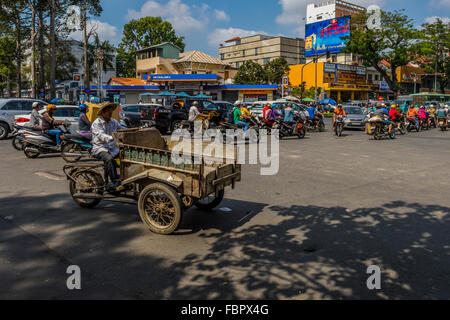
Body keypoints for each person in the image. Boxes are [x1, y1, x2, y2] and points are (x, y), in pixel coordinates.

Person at [91, 102, 123, 192]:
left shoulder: (113, 121)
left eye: (111, 110)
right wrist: (113, 137)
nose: (110, 112)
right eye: (108, 111)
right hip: (100, 148)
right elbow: (101, 135)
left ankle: (123, 179)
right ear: (103, 113)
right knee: (109, 159)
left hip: (113, 148)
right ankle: (114, 182)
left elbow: (121, 129)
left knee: (125, 157)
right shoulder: (96, 123)